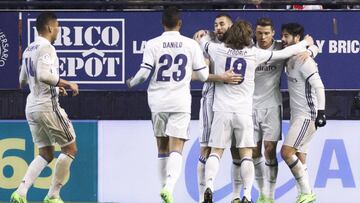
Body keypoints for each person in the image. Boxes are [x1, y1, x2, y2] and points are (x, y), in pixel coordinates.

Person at [195, 19, 314, 203]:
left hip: (222, 110)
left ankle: (209, 186)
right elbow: (286, 52)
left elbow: (204, 41)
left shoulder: (218, 50)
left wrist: (202, 36)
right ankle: (247, 195)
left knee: (215, 152)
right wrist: (306, 43)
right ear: (250, 36)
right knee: (246, 155)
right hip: (244, 112)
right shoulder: (253, 54)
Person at [126, 7, 210, 203]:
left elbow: (144, 74)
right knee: (176, 148)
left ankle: (163, 190)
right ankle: (169, 188)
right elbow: (204, 76)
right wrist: (204, 63)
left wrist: (131, 82)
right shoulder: (190, 44)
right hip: (180, 101)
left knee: (162, 148)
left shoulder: (153, 44)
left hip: (157, 101)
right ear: (180, 23)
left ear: (162, 23)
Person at [11, 11, 79, 203]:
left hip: (32, 105)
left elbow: (22, 79)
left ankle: (21, 192)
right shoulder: (47, 47)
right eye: (57, 26)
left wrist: (55, 88)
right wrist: (66, 84)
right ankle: (53, 195)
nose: (58, 30)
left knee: (46, 153)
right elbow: (43, 75)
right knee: (70, 149)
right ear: (50, 28)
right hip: (46, 106)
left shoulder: (28, 49)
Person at [252, 18, 319, 203]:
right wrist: (308, 46)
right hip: (250, 107)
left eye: (267, 33)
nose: (263, 36)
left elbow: (312, 44)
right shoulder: (251, 49)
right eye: (259, 33)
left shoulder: (282, 46)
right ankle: (265, 193)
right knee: (254, 152)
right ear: (255, 33)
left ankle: (274, 196)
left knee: (272, 150)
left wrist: (311, 50)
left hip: (273, 106)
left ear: (272, 33)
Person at [193, 13, 246, 203]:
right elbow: (197, 75)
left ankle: (236, 196)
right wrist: (220, 77)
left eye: (222, 24)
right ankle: (203, 197)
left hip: (233, 104)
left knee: (237, 150)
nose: (218, 28)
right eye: (215, 25)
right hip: (212, 99)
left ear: (231, 26)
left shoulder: (243, 46)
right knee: (206, 148)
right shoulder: (210, 47)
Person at [280, 23, 326, 203]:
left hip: (307, 115)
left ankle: (307, 192)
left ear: (296, 38)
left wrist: (321, 112)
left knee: (286, 152)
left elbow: (319, 86)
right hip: (297, 115)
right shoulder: (290, 54)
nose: (283, 40)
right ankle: (304, 195)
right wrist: (312, 47)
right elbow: (313, 44)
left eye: (286, 36)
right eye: (282, 36)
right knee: (299, 156)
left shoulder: (304, 60)